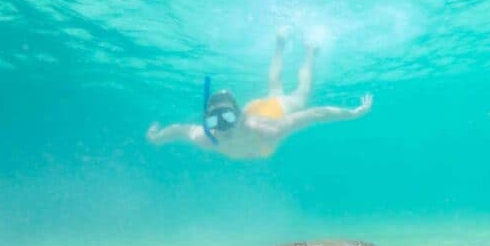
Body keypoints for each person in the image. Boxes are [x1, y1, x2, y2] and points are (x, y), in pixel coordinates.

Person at [146, 34, 373, 159]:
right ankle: (279, 43)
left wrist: (353, 113)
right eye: (215, 121)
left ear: (240, 116)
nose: (222, 127)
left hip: (274, 111)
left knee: (300, 95)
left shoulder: (269, 131)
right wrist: (159, 138)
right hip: (257, 110)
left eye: (227, 118)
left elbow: (315, 113)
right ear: (208, 122)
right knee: (274, 86)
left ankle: (310, 52)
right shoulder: (207, 137)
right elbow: (179, 129)